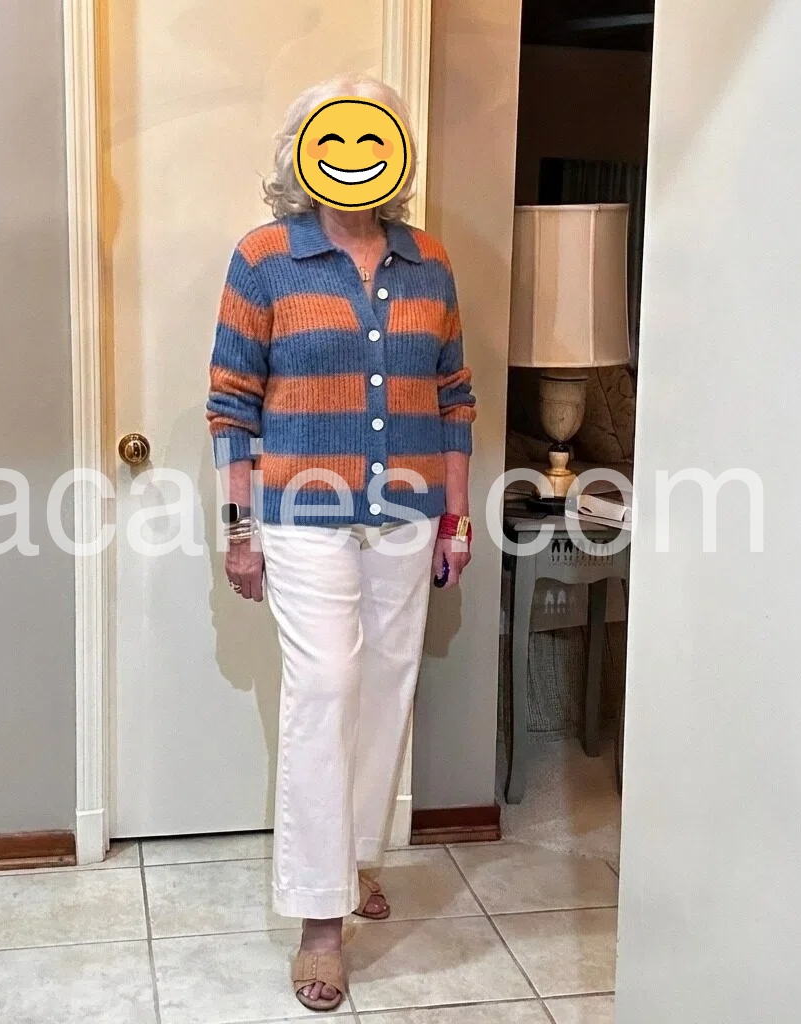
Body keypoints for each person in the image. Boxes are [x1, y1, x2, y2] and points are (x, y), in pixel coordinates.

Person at [206, 73, 476, 1012]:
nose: (357, 157)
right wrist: (239, 531)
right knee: (325, 689)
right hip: (299, 517)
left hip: (407, 515)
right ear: (302, 150)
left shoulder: (428, 260)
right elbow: (232, 404)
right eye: (337, 139)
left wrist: (457, 515)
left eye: (376, 138)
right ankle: (320, 921)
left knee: (385, 689)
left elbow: (454, 396)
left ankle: (353, 857)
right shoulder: (264, 258)